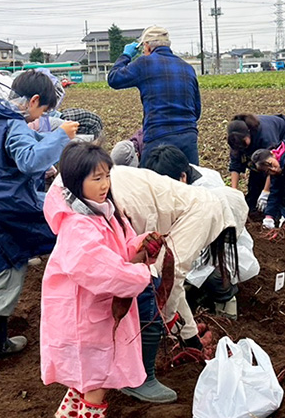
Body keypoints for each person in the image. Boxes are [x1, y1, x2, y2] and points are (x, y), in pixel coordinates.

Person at [41, 142, 157, 418]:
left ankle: (70, 411)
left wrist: (138, 246)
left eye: (107, 176)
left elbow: (118, 248)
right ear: (76, 182)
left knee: (92, 360)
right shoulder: (79, 224)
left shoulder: (103, 212)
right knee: (99, 365)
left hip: (96, 306)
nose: (105, 184)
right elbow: (97, 266)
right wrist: (137, 276)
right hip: (84, 307)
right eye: (96, 178)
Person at [0, 70, 78, 361]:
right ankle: (75, 309)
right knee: (71, 229)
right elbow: (28, 161)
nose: (41, 116)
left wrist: (49, 139)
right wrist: (60, 137)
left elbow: (23, 144)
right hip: (8, 204)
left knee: (9, 261)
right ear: (34, 101)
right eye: (44, 110)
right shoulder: (13, 123)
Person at [108, 165, 241, 367]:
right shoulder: (208, 210)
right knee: (144, 291)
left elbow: (170, 273)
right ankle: (143, 372)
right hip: (119, 202)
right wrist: (172, 322)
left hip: (108, 188)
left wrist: (188, 332)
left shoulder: (194, 198)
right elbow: (170, 273)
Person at [142, 144, 259, 320]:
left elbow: (203, 240)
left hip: (222, 246)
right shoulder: (183, 173)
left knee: (209, 274)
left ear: (182, 177)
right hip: (203, 240)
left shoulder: (205, 194)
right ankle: (196, 289)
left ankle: (226, 302)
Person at [107, 26, 201, 164]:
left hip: (157, 137)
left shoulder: (144, 63)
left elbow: (113, 79)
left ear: (147, 46)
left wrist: (126, 55)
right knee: (189, 177)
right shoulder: (188, 68)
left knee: (151, 177)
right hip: (188, 138)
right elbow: (196, 111)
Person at [227, 113, 285, 213]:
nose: (241, 146)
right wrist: (233, 192)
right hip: (260, 147)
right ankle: (253, 206)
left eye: (243, 143)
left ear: (248, 133)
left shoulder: (265, 137)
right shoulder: (236, 140)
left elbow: (272, 164)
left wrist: (266, 191)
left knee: (277, 176)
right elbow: (235, 165)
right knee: (256, 174)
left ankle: (280, 208)